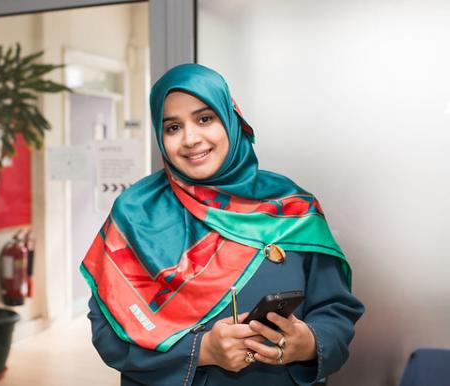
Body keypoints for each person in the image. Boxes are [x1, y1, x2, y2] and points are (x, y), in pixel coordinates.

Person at [80, 63, 364, 386]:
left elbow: (336, 311)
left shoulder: (291, 208)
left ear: (231, 119)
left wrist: (310, 343)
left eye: (204, 119)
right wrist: (201, 351)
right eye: (172, 127)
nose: (190, 139)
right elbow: (107, 331)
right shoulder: (135, 214)